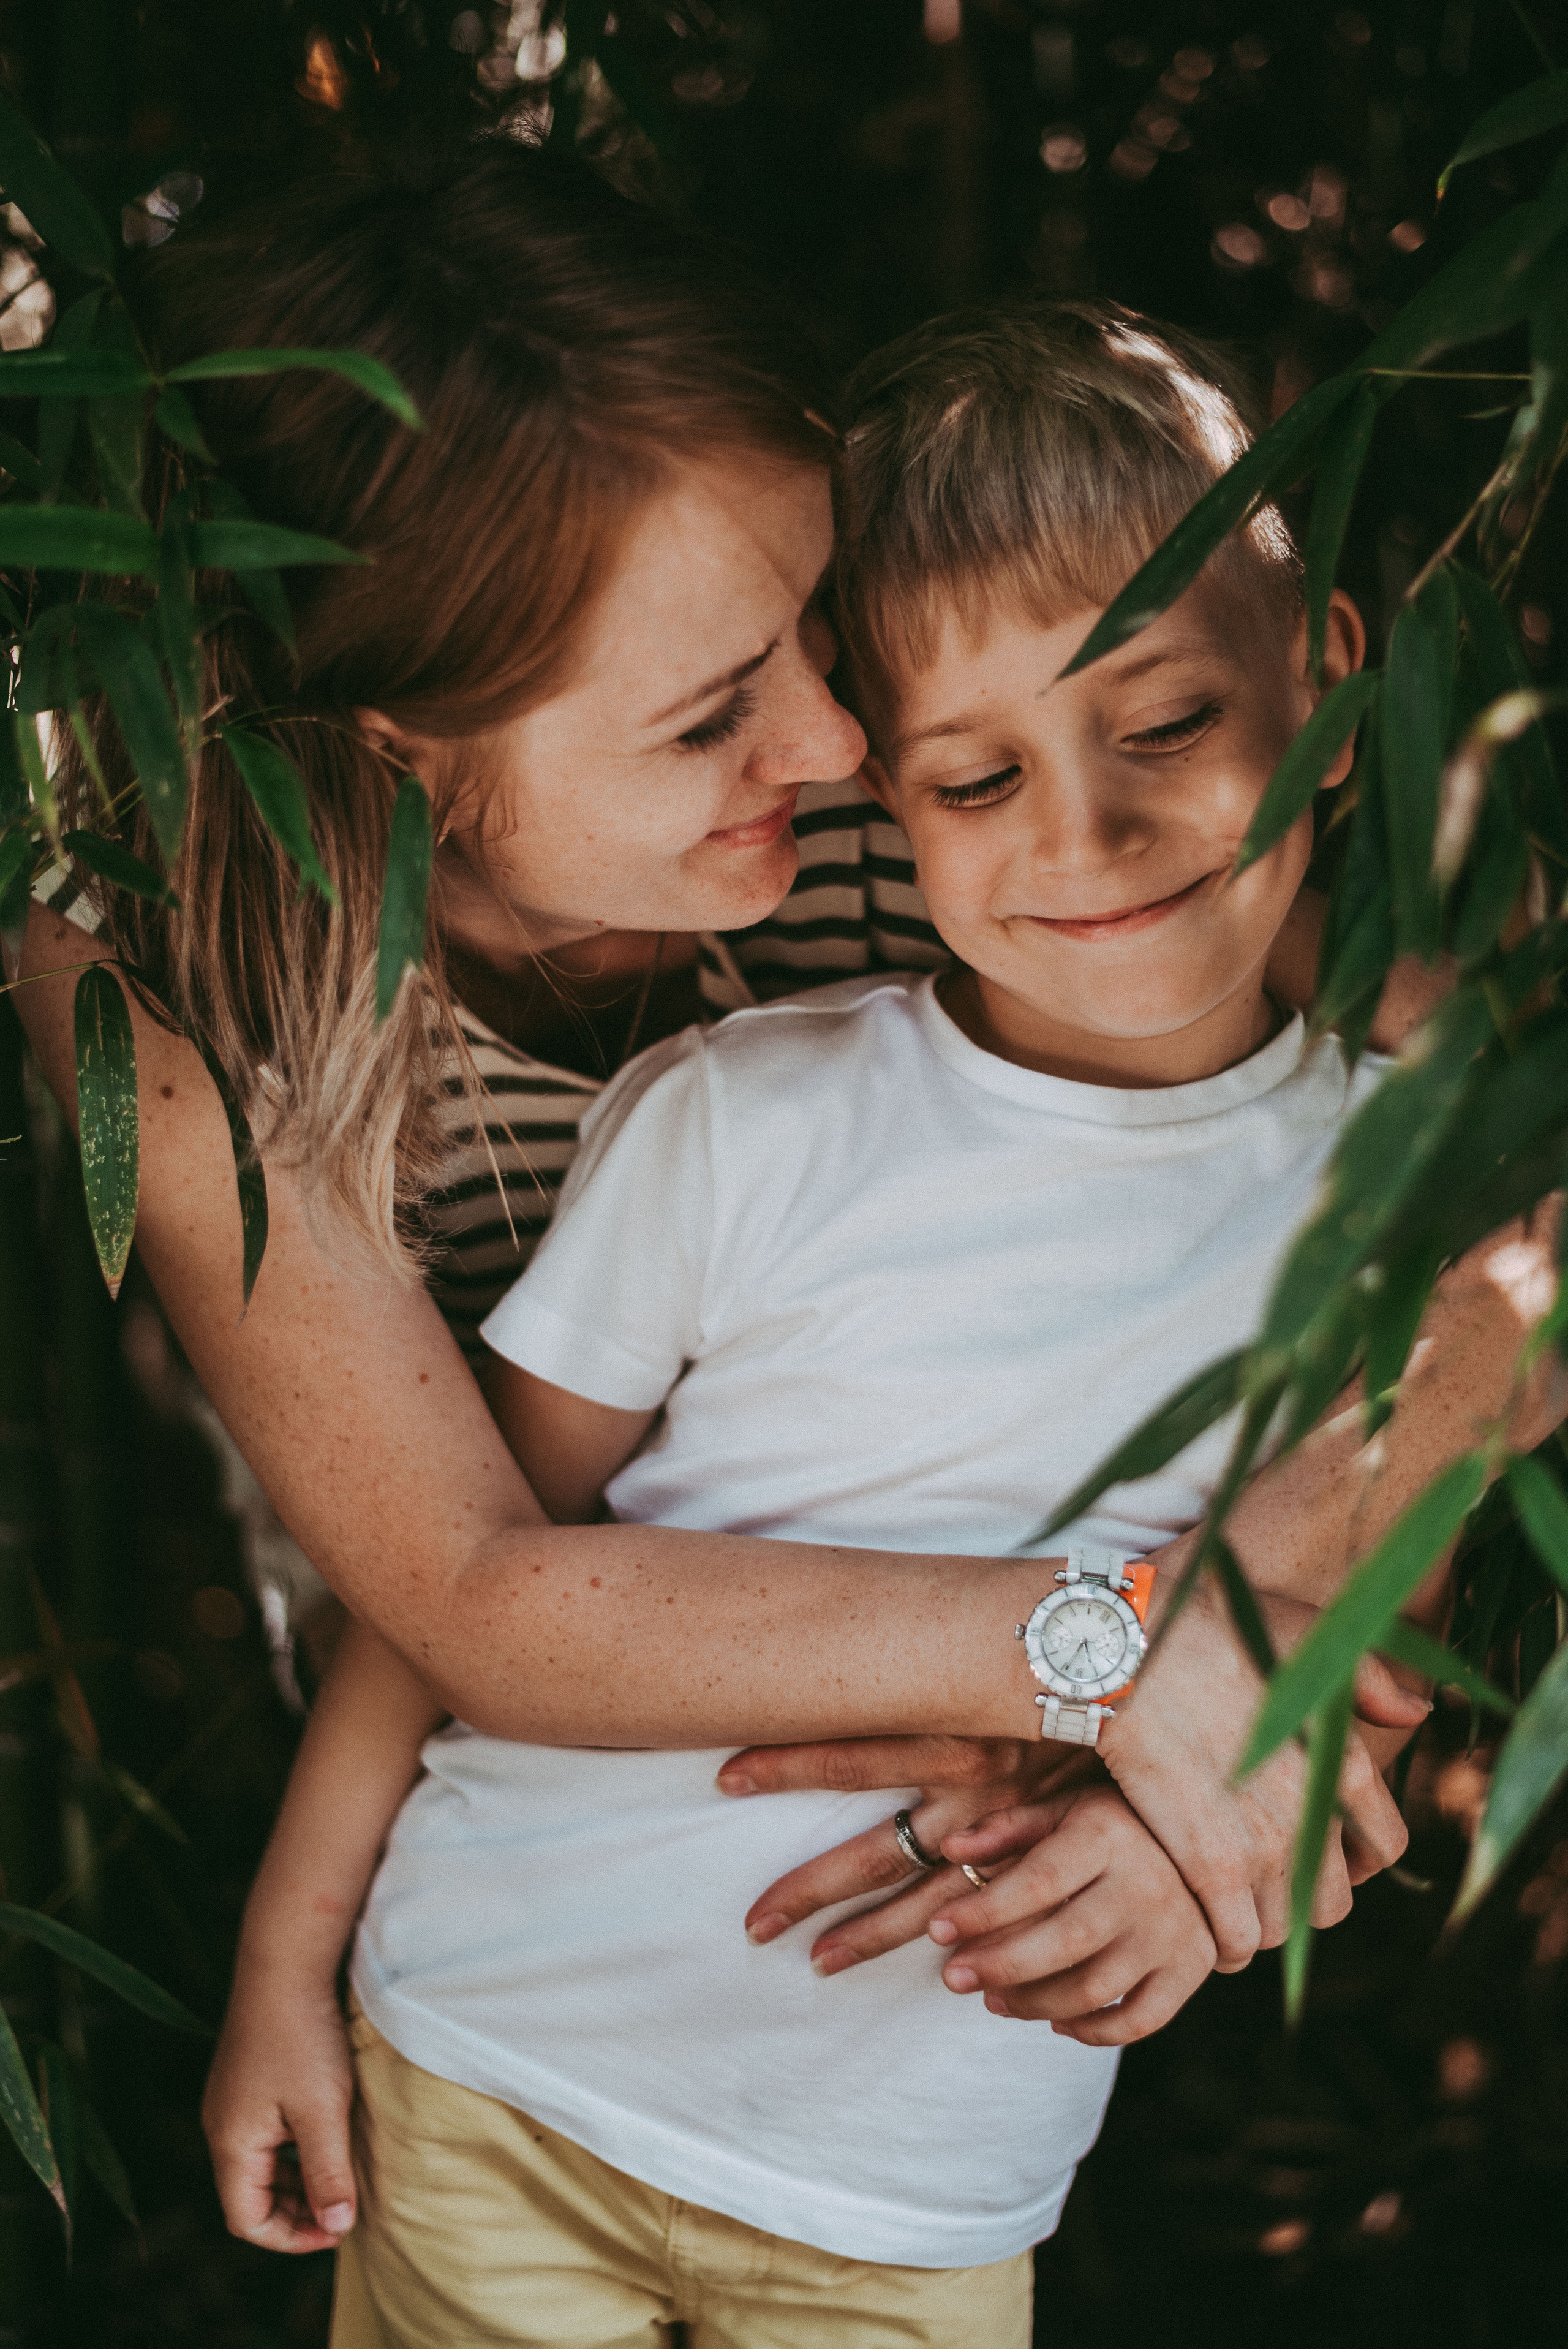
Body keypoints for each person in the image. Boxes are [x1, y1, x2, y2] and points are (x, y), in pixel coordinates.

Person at [9, 138, 1546, 2271]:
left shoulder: (998, 794)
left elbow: (1513, 1192)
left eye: (813, 629)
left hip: (938, 1996)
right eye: (715, 711)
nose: (841, 744)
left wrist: (1228, 1728)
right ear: (402, 753)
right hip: (517, 1869)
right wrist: (1115, 1660)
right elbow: (465, 1585)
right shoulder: (172, 984)